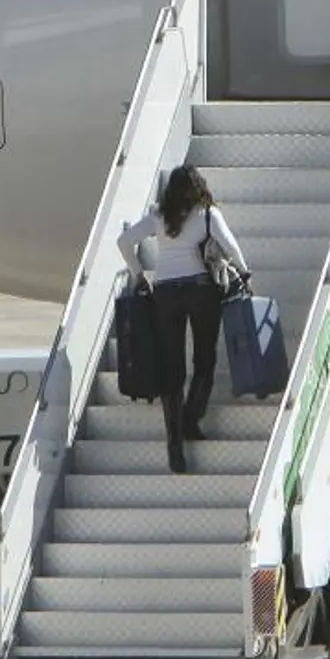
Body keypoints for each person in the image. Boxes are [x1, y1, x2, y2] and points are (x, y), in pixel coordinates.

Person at [116, 164, 251, 474]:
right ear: (198, 187)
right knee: (204, 358)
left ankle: (175, 446)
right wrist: (244, 273)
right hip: (201, 291)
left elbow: (123, 242)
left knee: (171, 369)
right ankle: (192, 417)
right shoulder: (207, 215)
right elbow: (231, 247)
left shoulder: (159, 216)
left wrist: (139, 276)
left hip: (165, 294)